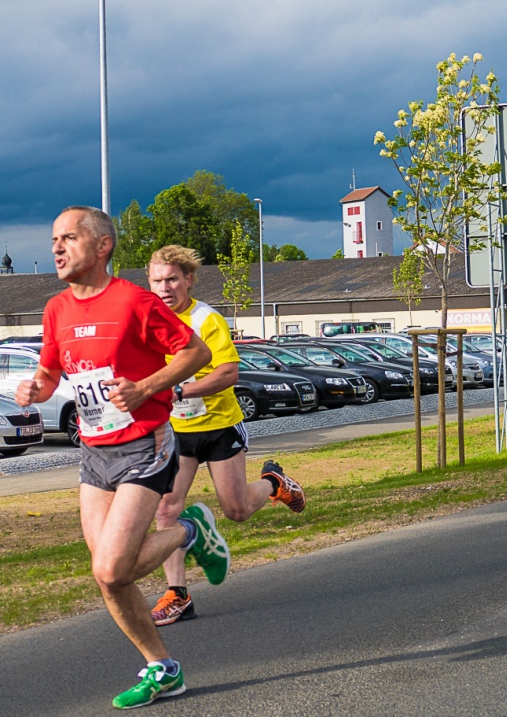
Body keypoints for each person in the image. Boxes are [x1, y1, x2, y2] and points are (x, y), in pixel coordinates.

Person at [14, 206, 227, 709]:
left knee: (112, 571)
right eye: (53, 240)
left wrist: (146, 387)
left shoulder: (134, 301)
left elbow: (195, 353)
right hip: (93, 451)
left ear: (102, 246)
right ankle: (163, 668)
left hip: (144, 446)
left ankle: (191, 529)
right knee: (109, 573)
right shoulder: (55, 309)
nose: (56, 248)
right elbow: (49, 373)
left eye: (68, 238)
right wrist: (34, 388)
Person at [146, 246, 306, 627]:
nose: (165, 288)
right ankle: (178, 594)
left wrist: (180, 391)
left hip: (218, 426)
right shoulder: (148, 320)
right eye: (157, 281)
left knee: (236, 511)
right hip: (176, 431)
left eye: (172, 279)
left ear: (188, 279)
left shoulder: (205, 319)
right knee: (167, 508)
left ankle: (273, 482)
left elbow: (229, 374)